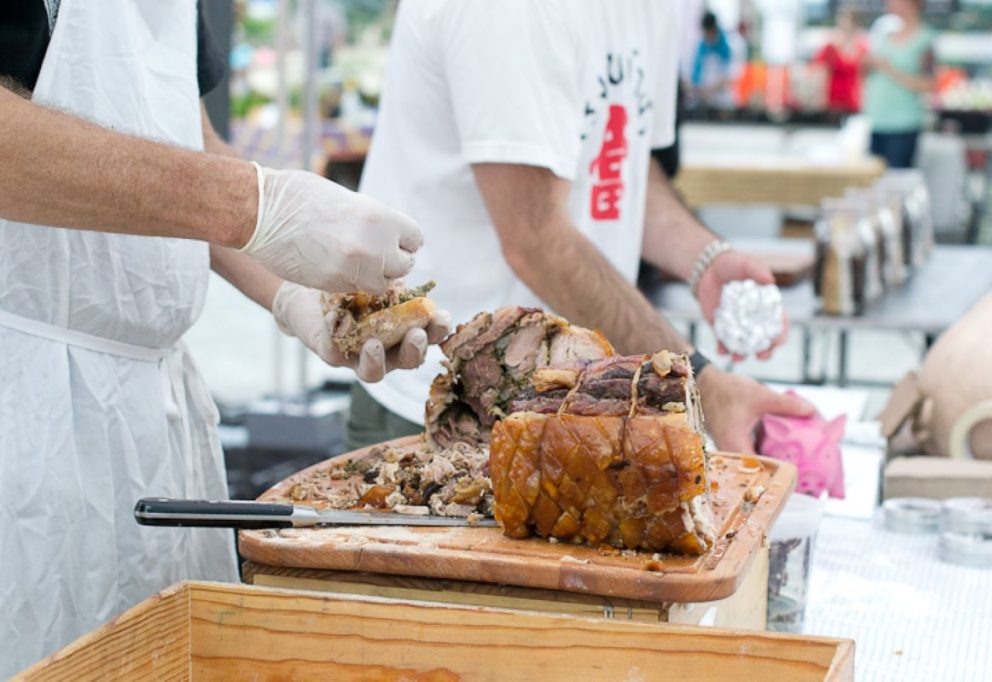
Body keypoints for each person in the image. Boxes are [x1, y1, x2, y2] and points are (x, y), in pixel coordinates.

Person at [0, 0, 447, 674]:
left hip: (154, 416)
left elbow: (180, 132)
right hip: (23, 409)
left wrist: (295, 291)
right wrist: (253, 205)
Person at [350, 0, 812, 457]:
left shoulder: (652, 10)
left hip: (573, 408)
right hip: (441, 412)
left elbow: (622, 164)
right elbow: (536, 240)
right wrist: (699, 384)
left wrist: (703, 258)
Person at [864, 0, 937, 168]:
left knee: (897, 180)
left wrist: (890, 70)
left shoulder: (924, 39)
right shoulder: (886, 36)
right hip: (877, 120)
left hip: (903, 124)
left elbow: (930, 84)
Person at [815, 7, 868, 115]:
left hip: (853, 100)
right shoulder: (831, 47)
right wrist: (821, 99)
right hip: (833, 100)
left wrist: (864, 100)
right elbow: (822, 75)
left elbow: (863, 78)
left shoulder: (862, 49)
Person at [691, 11, 734, 110]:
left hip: (721, 102)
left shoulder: (727, 47)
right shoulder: (700, 47)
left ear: (714, 30)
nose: (707, 36)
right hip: (702, 100)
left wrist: (709, 90)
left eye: (709, 33)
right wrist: (699, 90)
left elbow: (729, 78)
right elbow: (695, 76)